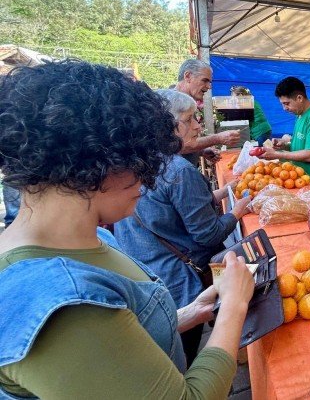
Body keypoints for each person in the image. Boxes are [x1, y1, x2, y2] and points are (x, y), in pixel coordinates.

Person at [0, 60, 254, 398]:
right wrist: (235, 307)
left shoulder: (95, 238)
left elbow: (121, 338)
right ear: (93, 163)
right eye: (140, 158)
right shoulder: (59, 305)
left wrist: (191, 312)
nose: (149, 175)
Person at [115, 88, 252, 366]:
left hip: (145, 269)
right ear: (166, 125)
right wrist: (238, 210)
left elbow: (174, 212)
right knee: (183, 355)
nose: (198, 125)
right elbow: (207, 234)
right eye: (190, 119)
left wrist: (225, 192)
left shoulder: (138, 161)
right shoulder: (179, 170)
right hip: (179, 280)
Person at [260, 76, 310, 189]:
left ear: (299, 98)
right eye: (282, 104)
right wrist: (284, 145)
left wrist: (278, 154)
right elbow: (302, 144)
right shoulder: (300, 115)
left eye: (287, 103)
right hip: (300, 180)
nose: (284, 108)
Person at [175, 59, 241, 164]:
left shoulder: (186, 103)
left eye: (210, 82)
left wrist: (201, 151)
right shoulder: (173, 103)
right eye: (205, 80)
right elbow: (179, 144)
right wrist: (218, 138)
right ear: (187, 76)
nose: (209, 86)